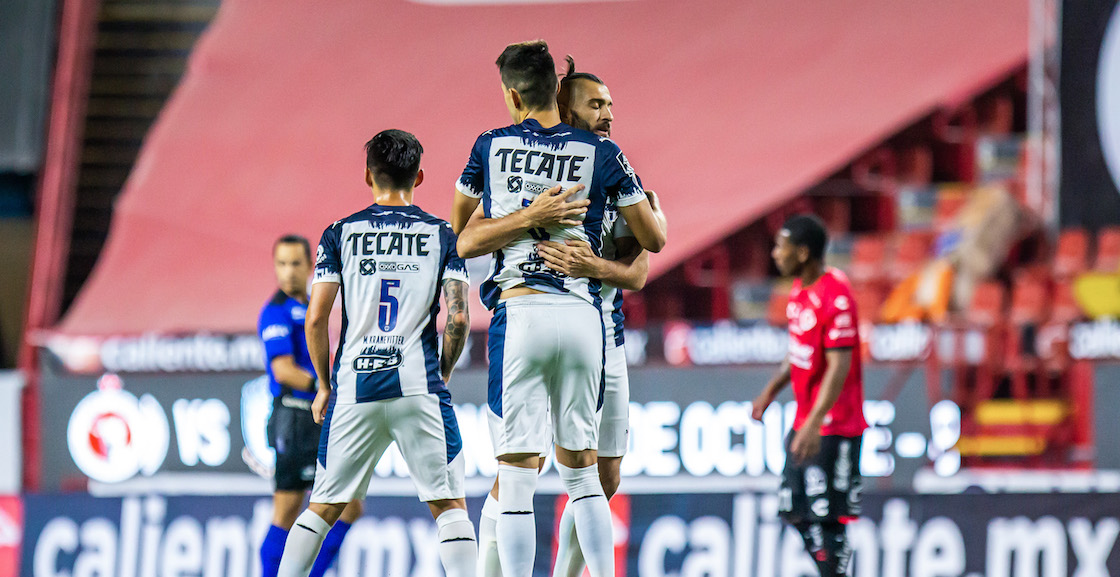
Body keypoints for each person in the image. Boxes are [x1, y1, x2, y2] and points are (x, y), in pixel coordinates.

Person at [452, 40, 666, 577]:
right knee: (585, 476)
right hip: (583, 319)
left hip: (521, 312)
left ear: (512, 95)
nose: (608, 116)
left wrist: (525, 215)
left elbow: (462, 236)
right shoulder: (604, 156)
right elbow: (652, 241)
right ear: (559, 93)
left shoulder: (492, 145)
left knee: (518, 475)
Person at [277, 129, 475, 577]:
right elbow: (459, 318)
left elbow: (315, 318)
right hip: (417, 385)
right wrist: (439, 374)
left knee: (322, 508)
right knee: (449, 508)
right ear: (419, 177)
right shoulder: (443, 234)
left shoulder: (340, 234)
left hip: (354, 388)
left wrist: (325, 386)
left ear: (368, 175)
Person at [751, 215, 867, 577]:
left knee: (829, 521)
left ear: (802, 252)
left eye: (780, 246)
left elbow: (839, 365)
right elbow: (799, 350)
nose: (775, 254)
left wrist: (816, 422)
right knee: (793, 510)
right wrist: (770, 391)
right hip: (806, 423)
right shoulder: (800, 292)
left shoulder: (837, 295)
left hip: (835, 429)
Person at [257, 235, 361, 577]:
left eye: (295, 263)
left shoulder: (311, 306)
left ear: (310, 266)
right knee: (288, 514)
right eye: (281, 264)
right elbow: (283, 368)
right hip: (295, 419)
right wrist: (324, 384)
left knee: (348, 507)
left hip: (314, 420)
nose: (288, 272)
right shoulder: (276, 311)